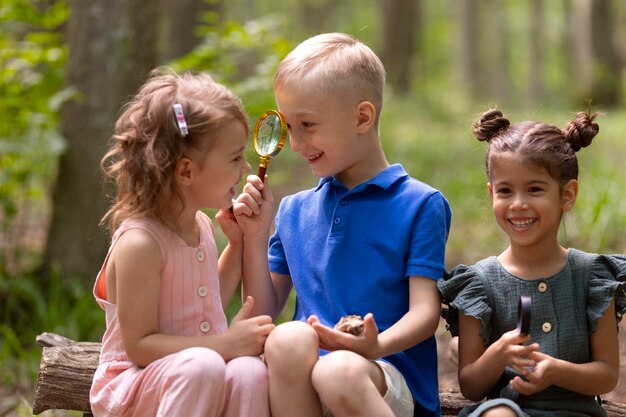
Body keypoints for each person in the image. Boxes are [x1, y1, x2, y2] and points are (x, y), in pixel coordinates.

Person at [234, 32, 452, 417]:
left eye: (308, 125)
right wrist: (254, 237)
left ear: (362, 117)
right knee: (285, 339)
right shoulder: (293, 211)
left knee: (337, 371)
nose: (296, 144)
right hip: (308, 378)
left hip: (384, 374)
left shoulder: (420, 204)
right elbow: (262, 314)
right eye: (288, 126)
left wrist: (375, 346)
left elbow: (424, 313)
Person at [89, 68, 275, 417]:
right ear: (186, 171)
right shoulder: (140, 244)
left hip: (192, 372)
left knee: (249, 371)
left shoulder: (200, 226)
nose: (245, 167)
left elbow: (201, 310)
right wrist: (225, 343)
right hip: (134, 384)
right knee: (203, 365)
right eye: (235, 158)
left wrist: (235, 247)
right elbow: (140, 346)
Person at [438, 108, 626, 417]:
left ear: (567, 194)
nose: (518, 204)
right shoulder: (479, 283)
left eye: (535, 189)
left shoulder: (592, 276)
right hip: (508, 409)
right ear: (491, 194)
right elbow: (470, 386)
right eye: (505, 191)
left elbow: (607, 374)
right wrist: (498, 354)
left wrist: (556, 371)